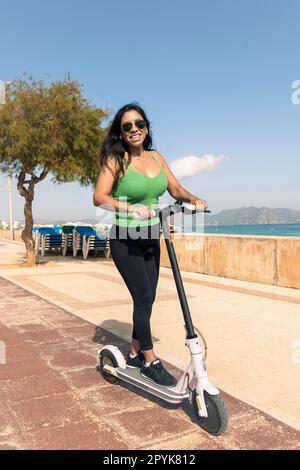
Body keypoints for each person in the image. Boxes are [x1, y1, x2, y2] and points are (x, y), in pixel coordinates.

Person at [93, 103, 208, 387]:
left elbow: (175, 189)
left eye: (139, 124)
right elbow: (99, 197)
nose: (134, 130)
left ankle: (133, 353)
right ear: (120, 133)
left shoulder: (156, 157)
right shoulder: (116, 160)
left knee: (148, 299)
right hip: (125, 239)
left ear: (146, 127)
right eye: (127, 126)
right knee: (143, 297)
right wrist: (129, 208)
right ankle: (150, 361)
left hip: (152, 236)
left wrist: (194, 200)